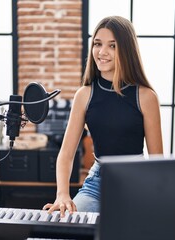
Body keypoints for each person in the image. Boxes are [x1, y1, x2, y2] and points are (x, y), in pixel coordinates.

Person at [43, 16, 163, 216]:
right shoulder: (84, 95)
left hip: (138, 183)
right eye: (97, 44)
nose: (102, 52)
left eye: (112, 46)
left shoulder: (146, 97)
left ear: (126, 50)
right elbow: (66, 154)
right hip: (97, 183)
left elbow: (157, 162)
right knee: (65, 226)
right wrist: (62, 194)